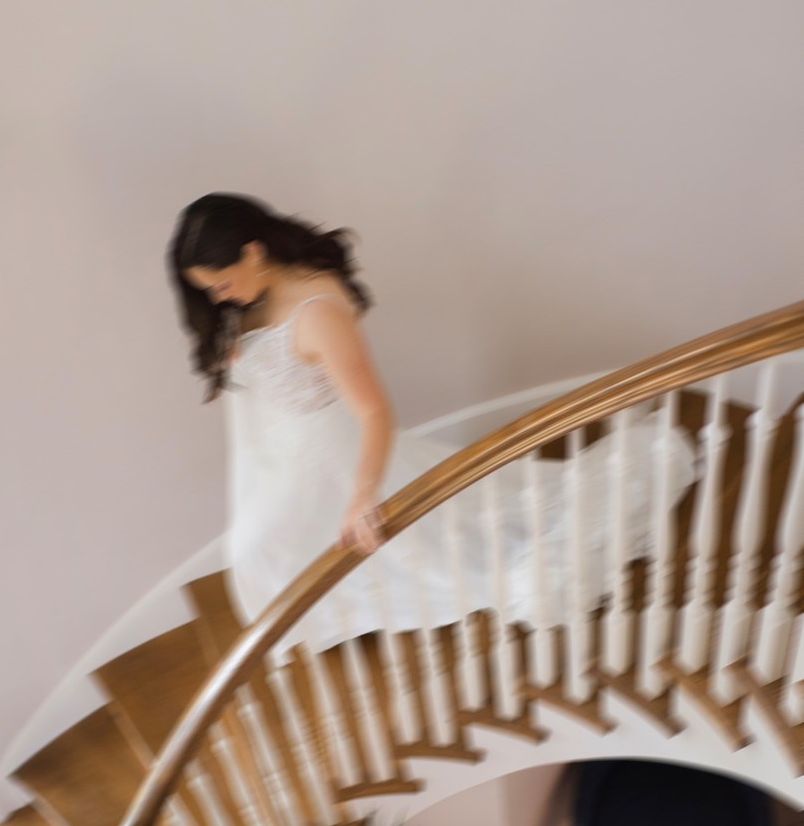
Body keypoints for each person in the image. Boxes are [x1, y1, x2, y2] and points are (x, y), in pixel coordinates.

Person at [167, 193, 697, 668]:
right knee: (263, 549)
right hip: (273, 451)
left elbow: (375, 412)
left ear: (253, 252)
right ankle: (322, 618)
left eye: (221, 284)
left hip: (317, 454)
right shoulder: (252, 297)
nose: (220, 298)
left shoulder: (317, 313)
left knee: (268, 547)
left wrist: (362, 495)